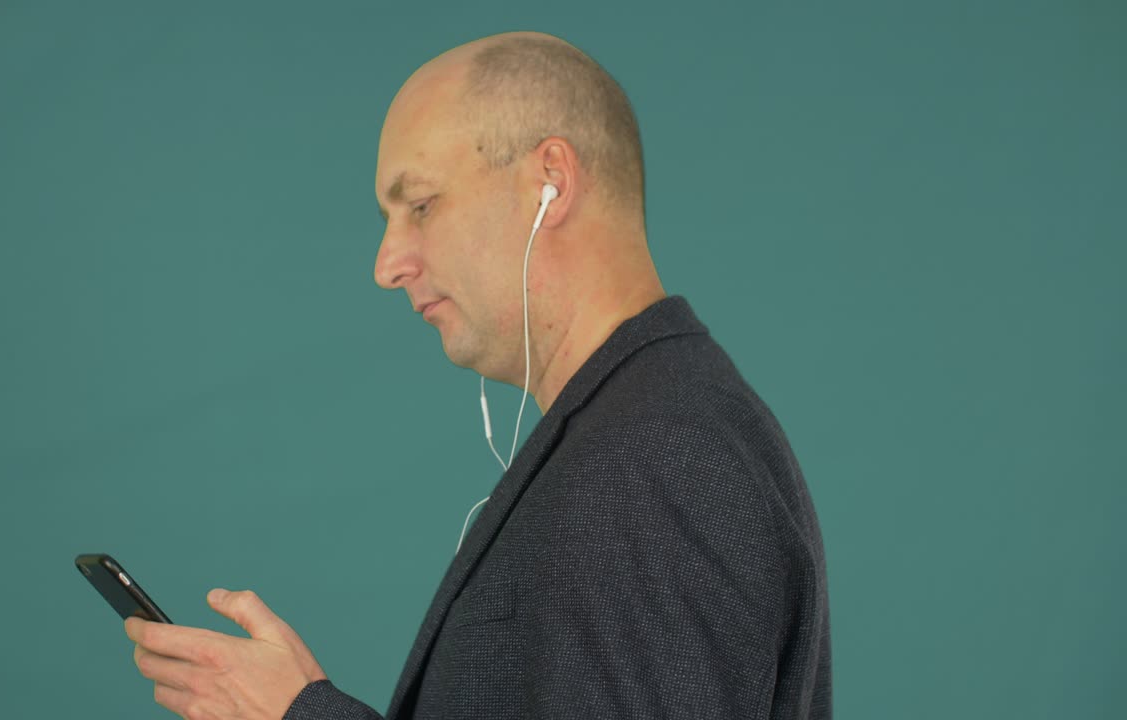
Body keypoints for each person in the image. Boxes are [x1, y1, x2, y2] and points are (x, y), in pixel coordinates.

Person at [124, 31, 832, 720]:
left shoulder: (651, 459)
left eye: (421, 205)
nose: (387, 263)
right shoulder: (650, 429)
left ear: (551, 181)